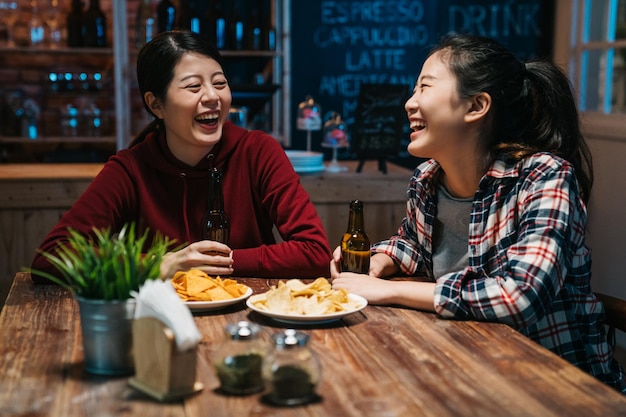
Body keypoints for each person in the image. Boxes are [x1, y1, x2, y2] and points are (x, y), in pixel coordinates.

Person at [330, 33, 626, 393]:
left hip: (555, 385)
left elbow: (519, 295)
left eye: (425, 87)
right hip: (468, 365)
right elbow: (416, 244)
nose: (410, 102)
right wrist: (379, 259)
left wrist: (385, 291)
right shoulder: (427, 178)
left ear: (476, 106)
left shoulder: (544, 176)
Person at [31, 30, 331, 281]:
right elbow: (51, 257)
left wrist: (218, 263)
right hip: (158, 324)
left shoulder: (258, 151)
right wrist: (164, 264)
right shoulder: (131, 168)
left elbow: (314, 252)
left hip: (247, 321)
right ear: (156, 105)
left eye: (219, 83)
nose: (212, 97)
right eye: (193, 86)